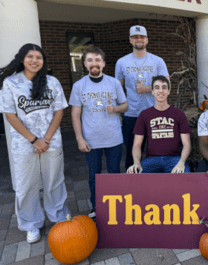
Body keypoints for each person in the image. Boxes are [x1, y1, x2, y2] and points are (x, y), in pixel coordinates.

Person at [0, 43, 70, 243]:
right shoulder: (11, 83)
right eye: (30, 56)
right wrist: (34, 140)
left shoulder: (52, 82)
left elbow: (59, 111)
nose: (34, 60)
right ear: (22, 59)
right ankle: (31, 224)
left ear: (43, 61)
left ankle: (58, 217)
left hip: (51, 142)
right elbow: (10, 116)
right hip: (24, 145)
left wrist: (45, 139)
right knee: (26, 185)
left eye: (38, 57)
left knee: (54, 182)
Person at [69, 46, 128, 220]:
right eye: (90, 60)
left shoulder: (114, 83)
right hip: (91, 140)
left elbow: (125, 106)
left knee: (114, 174)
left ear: (103, 63)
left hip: (113, 138)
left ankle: (116, 206)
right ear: (85, 64)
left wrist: (115, 108)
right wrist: (80, 138)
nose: (94, 63)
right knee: (94, 176)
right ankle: (96, 207)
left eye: (97, 60)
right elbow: (75, 113)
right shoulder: (79, 86)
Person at [115, 25, 170, 170]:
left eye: (141, 37)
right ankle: (132, 184)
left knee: (156, 152)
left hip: (155, 113)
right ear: (130, 40)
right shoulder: (121, 62)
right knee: (132, 153)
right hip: (131, 114)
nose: (138, 40)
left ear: (146, 40)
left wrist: (147, 88)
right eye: (135, 37)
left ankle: (154, 185)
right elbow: (117, 89)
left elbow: (167, 84)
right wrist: (118, 112)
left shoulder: (157, 61)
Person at [126, 75, 191, 174]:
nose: (160, 91)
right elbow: (137, 145)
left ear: (169, 91)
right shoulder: (144, 115)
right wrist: (136, 162)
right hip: (152, 160)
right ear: (152, 91)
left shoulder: (179, 114)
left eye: (164, 87)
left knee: (185, 175)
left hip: (174, 159)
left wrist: (181, 162)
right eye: (157, 88)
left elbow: (187, 144)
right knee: (132, 175)